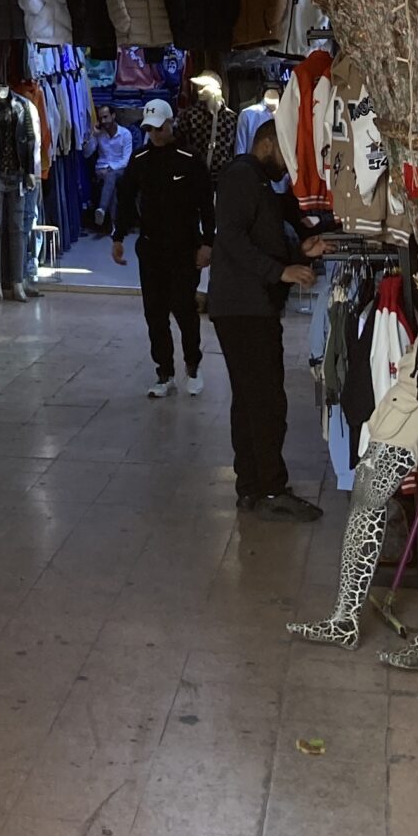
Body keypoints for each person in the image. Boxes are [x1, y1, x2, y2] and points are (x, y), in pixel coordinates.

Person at [207, 119, 322, 520]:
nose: (289, 163)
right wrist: (280, 273)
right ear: (268, 144)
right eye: (287, 152)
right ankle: (270, 488)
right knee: (266, 399)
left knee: (252, 398)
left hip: (249, 305)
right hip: (242, 307)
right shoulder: (241, 176)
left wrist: (301, 254)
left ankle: (252, 484)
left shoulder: (259, 183)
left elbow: (266, 238)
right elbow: (232, 238)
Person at [110, 99, 213, 397]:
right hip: (151, 248)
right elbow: (127, 198)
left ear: (171, 124)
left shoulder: (190, 159)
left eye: (160, 127)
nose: (155, 134)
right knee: (154, 313)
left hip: (184, 248)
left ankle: (192, 366)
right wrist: (118, 237)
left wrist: (208, 242)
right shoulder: (140, 159)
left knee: (183, 307)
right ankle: (164, 372)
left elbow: (206, 204)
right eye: (150, 129)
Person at [89, 103, 134, 233]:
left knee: (111, 176)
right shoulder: (100, 134)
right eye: (101, 118)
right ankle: (115, 225)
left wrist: (110, 169)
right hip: (101, 170)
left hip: (119, 169)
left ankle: (102, 209)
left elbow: (126, 160)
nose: (103, 121)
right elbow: (87, 153)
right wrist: (93, 135)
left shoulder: (125, 134)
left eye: (106, 117)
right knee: (111, 184)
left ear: (113, 116)